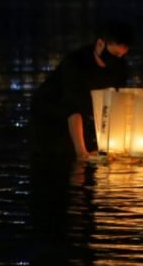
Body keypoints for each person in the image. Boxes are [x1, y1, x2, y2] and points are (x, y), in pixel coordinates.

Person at [29, 20, 134, 164]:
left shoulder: (119, 66)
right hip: (51, 115)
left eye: (121, 55)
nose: (117, 59)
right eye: (115, 53)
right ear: (100, 44)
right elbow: (73, 108)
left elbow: (117, 102)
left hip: (84, 116)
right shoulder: (76, 64)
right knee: (61, 158)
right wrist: (81, 153)